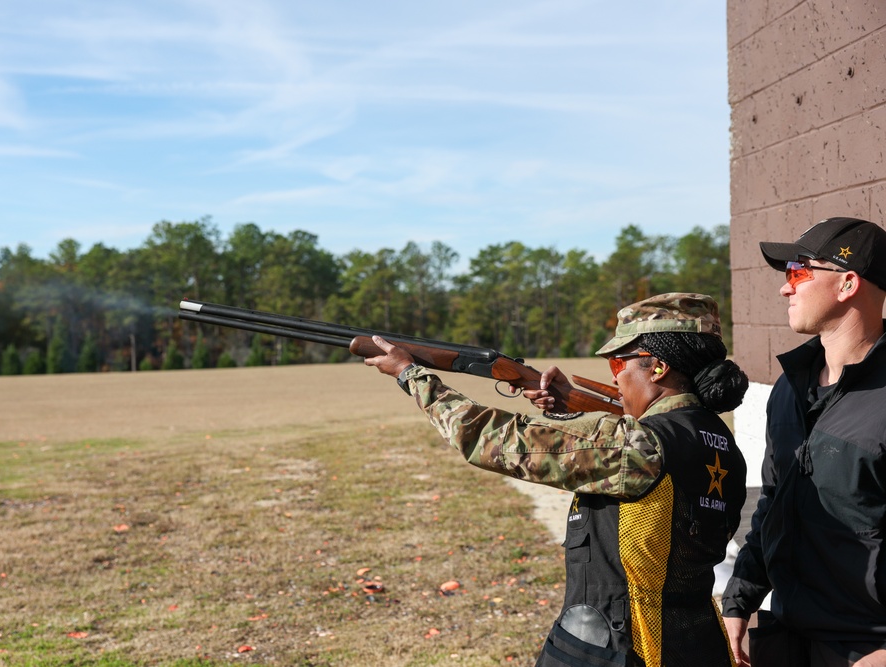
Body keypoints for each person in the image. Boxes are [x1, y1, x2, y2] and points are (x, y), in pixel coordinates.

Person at [366, 292, 750, 667]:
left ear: (658, 367)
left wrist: (411, 375)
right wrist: (568, 407)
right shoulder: (722, 445)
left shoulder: (637, 444)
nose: (616, 380)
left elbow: (487, 438)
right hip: (697, 641)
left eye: (619, 365)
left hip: (620, 646)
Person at [721, 217, 886, 667]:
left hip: (865, 648)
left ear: (848, 283)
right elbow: (775, 503)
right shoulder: (788, 390)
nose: (784, 289)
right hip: (788, 638)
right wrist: (741, 596)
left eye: (798, 272)